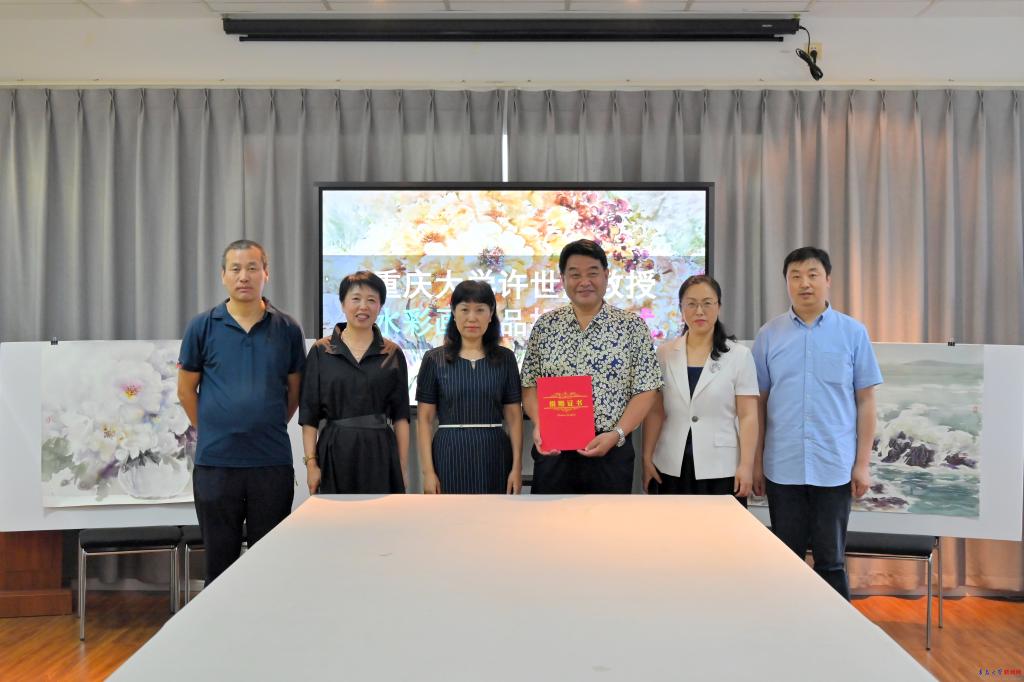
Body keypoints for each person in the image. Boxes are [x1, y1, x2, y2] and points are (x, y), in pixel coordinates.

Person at [752, 246, 882, 600]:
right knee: (785, 560)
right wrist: (757, 462)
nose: (804, 283)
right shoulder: (769, 335)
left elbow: (866, 401)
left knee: (831, 562)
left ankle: (837, 630)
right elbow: (758, 404)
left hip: (834, 467)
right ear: (786, 283)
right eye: (795, 276)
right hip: (782, 467)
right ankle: (787, 625)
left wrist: (862, 464)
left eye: (812, 275)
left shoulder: (853, 333)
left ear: (828, 280)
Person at [177, 239, 305, 585]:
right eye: (235, 268)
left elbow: (294, 392)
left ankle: (267, 619)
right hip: (216, 463)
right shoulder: (202, 326)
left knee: (269, 562)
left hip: (270, 462)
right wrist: (213, 428)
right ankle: (220, 622)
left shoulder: (288, 329)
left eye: (252, 268)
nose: (243, 276)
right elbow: (186, 390)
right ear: (223, 275)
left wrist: (266, 423)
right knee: (220, 563)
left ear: (266, 273)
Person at [520, 239, 662, 494]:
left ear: (606, 275)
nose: (584, 282)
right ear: (563, 279)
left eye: (592, 273)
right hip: (555, 451)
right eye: (575, 274)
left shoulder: (631, 327)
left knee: (606, 520)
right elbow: (530, 385)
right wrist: (540, 424)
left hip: (611, 450)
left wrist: (617, 434)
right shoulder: (545, 326)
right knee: (549, 519)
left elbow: (646, 390)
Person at [641, 275, 759, 505]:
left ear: (719, 306)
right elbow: (655, 411)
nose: (699, 311)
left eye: (707, 303)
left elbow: (748, 416)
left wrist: (746, 465)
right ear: (681, 308)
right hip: (671, 464)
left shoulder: (739, 356)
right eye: (691, 304)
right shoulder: (664, 354)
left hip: (721, 466)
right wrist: (647, 458)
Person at [299, 271, 410, 495]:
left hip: (380, 452)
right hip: (335, 450)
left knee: (380, 515)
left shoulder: (393, 353)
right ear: (342, 303)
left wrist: (401, 467)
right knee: (337, 516)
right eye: (356, 298)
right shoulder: (321, 351)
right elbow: (309, 415)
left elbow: (401, 417)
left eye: (371, 300)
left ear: (380, 306)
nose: (363, 307)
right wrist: (311, 464)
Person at [416, 281, 524, 494]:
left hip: (494, 453)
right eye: (465, 309)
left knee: (495, 513)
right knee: (450, 514)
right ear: (453, 313)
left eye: (480, 310)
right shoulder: (434, 359)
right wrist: (428, 472)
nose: (472, 318)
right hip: (448, 452)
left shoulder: (506, 358)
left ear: (491, 314)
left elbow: (514, 417)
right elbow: (425, 419)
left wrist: (517, 468)